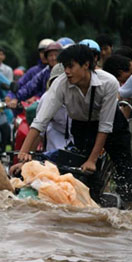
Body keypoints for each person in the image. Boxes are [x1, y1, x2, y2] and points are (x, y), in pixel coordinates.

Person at [18, 44, 132, 206]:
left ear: (86, 64)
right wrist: (23, 153)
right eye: (65, 67)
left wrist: (92, 159)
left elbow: (105, 126)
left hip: (113, 124)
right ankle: (92, 207)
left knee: (124, 169)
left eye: (71, 66)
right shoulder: (61, 84)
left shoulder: (108, 82)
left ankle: (127, 208)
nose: (67, 71)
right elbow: (40, 121)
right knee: (85, 175)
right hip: (81, 126)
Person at [10, 42, 63, 106]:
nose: (53, 58)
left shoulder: (66, 71)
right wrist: (16, 98)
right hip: (47, 106)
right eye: (50, 55)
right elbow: (29, 87)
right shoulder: (44, 72)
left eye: (56, 55)